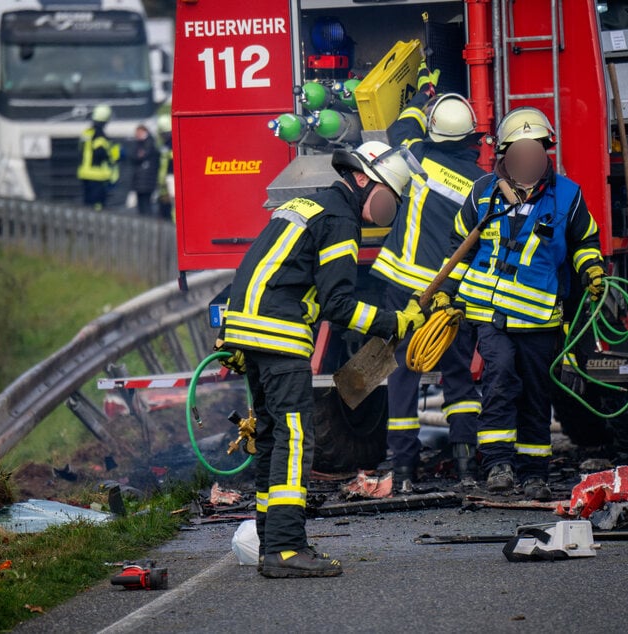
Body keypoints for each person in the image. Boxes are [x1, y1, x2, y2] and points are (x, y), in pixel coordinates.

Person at [216, 141, 425, 578]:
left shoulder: (309, 205)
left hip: (251, 331)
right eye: (388, 195)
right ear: (364, 179)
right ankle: (287, 549)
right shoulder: (340, 220)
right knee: (294, 438)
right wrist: (394, 322)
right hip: (280, 335)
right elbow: (338, 305)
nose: (388, 208)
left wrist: (233, 337)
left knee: (273, 438)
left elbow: (256, 268)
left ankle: (273, 541)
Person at [439, 107, 605, 500]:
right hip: (490, 315)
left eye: (536, 151)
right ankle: (498, 464)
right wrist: (448, 293)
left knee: (536, 392)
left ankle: (534, 472)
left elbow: (584, 243)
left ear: (546, 152)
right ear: (506, 154)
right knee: (499, 380)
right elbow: (459, 247)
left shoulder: (568, 195)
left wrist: (592, 271)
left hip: (540, 319)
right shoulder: (482, 193)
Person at [371, 64, 486, 491]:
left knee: (402, 375)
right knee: (458, 379)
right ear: (473, 137)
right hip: (448, 297)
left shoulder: (416, 155)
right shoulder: (481, 184)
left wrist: (423, 93)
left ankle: (402, 470)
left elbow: (400, 125)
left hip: (402, 290)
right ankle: (465, 467)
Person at [77, 104, 120, 210]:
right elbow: (101, 153)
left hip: (84, 173)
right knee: (97, 204)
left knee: (87, 203)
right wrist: (113, 155)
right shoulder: (100, 136)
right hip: (96, 175)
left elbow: (81, 149)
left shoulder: (87, 133)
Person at [130, 124, 160, 217]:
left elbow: (140, 156)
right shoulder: (142, 144)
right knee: (141, 204)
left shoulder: (149, 143)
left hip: (146, 180)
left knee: (146, 204)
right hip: (141, 180)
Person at [156, 114, 174, 221]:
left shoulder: (168, 146)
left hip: (170, 179)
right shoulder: (168, 145)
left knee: (172, 205)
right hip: (166, 180)